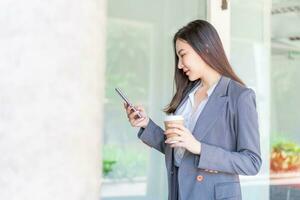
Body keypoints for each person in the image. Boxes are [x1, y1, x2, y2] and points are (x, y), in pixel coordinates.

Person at [124, 19, 261, 200]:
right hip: (180, 192)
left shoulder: (239, 96)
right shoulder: (187, 95)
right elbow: (179, 150)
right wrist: (146, 124)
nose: (180, 65)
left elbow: (252, 162)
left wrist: (199, 148)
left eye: (183, 55)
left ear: (204, 48)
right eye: (178, 58)